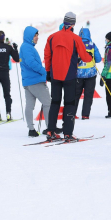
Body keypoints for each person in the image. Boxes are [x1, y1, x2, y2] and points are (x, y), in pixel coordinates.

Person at [44, 12, 91, 142]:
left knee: (55, 102)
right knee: (70, 103)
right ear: (73, 23)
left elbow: (47, 56)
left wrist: (48, 71)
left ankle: (50, 130)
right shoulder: (76, 38)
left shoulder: (52, 37)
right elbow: (84, 56)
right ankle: (68, 133)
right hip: (69, 76)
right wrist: (90, 56)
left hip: (55, 75)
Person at [19, 26, 52, 137]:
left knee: (30, 105)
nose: (37, 37)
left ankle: (31, 129)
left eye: (37, 35)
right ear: (29, 36)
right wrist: (44, 71)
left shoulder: (26, 47)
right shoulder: (27, 47)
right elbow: (31, 62)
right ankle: (50, 128)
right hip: (35, 81)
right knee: (48, 103)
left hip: (28, 82)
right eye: (35, 35)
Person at [75, 28, 102, 120]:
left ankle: (72, 114)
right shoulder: (92, 45)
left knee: (76, 94)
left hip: (78, 74)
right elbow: (98, 59)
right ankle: (85, 114)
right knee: (88, 94)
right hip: (91, 74)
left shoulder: (76, 44)